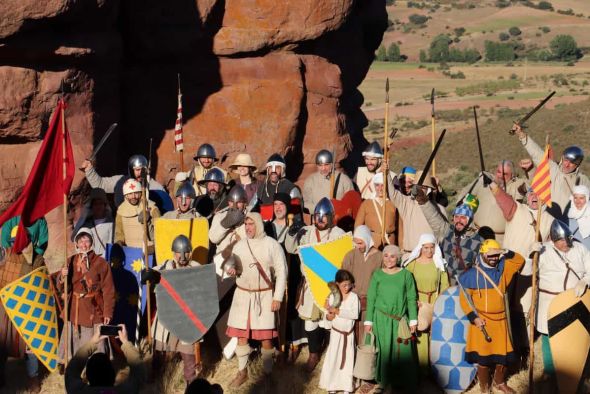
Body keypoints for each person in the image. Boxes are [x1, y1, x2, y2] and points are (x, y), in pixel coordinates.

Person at [225, 212, 287, 387]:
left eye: (251, 224)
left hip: (265, 295)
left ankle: (268, 374)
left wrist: (277, 297)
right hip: (243, 295)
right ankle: (242, 371)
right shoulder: (239, 246)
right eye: (246, 224)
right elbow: (235, 268)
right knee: (241, 336)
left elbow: (282, 272)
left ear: (258, 225)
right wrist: (233, 272)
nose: (248, 228)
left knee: (265, 337)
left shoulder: (272, 245)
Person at [285, 198, 345, 372]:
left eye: (324, 216)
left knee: (328, 320)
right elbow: (290, 249)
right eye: (317, 215)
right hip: (310, 284)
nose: (320, 219)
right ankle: (313, 353)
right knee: (311, 322)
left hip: (330, 286)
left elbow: (344, 255)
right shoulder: (306, 231)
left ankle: (328, 352)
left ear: (331, 217)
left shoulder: (338, 233)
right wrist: (291, 234)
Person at [458, 239, 524, 394]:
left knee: (504, 356)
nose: (495, 258)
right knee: (484, 358)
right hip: (482, 321)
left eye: (497, 255)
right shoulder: (471, 274)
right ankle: (485, 388)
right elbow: (465, 300)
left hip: (501, 321)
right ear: (483, 254)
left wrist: (506, 252)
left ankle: (499, 383)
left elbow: (519, 261)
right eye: (491, 255)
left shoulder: (503, 269)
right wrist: (474, 318)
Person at [532, 219, 590, 377]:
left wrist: (585, 280)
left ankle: (580, 370)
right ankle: (550, 372)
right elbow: (526, 272)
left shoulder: (579, 248)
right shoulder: (542, 251)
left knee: (576, 336)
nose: (566, 243)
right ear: (552, 240)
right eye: (561, 241)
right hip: (549, 302)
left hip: (575, 300)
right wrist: (531, 255)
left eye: (568, 239)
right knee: (549, 336)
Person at [0, 216, 48, 391]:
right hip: (5, 308)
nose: (17, 245)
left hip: (29, 306)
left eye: (20, 241)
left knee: (30, 345)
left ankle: (33, 378)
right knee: (2, 343)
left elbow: (42, 283)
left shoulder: (37, 259)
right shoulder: (3, 257)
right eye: (14, 241)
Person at [55, 229, 115, 368]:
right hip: (74, 309)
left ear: (91, 242)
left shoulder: (101, 263)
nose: (83, 244)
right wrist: (62, 277)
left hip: (94, 308)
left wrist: (108, 312)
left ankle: (96, 367)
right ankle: (72, 366)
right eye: (80, 240)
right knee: (73, 337)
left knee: (95, 340)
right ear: (76, 243)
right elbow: (63, 288)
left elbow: (108, 290)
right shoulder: (69, 261)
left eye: (86, 240)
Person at [148, 235, 202, 385]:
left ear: (190, 253)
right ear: (174, 253)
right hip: (167, 316)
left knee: (188, 356)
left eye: (186, 252)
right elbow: (150, 274)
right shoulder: (165, 267)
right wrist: (149, 275)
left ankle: (191, 386)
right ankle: (155, 384)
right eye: (179, 252)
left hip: (187, 319)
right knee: (159, 353)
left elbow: (204, 292)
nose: (183, 256)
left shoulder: (196, 268)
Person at [364, 245, 418, 393]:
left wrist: (413, 319)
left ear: (398, 258)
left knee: (401, 351)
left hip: (400, 320)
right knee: (383, 350)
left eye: (392, 256)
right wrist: (369, 321)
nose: (389, 259)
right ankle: (382, 381)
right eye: (386, 256)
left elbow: (411, 298)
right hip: (381, 319)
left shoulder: (406, 275)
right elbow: (372, 299)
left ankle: (400, 382)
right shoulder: (377, 275)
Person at [264, 192, 308, 361]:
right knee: (275, 309)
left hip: (293, 272)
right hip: (273, 276)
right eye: (275, 205)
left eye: (281, 205)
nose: (278, 208)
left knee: (291, 308)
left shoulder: (296, 225)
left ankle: (294, 343)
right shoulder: (267, 227)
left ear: (287, 207)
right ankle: (276, 344)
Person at [512, 124, 590, 218]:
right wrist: (522, 135)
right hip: (550, 220)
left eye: (571, 163)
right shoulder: (554, 170)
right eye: (565, 160)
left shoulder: (583, 180)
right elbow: (537, 154)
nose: (566, 164)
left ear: (578, 164)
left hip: (572, 223)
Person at [402, 233, 449, 376]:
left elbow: (445, 285)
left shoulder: (438, 263)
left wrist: (439, 303)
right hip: (417, 303)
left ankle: (433, 372)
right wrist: (413, 301)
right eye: (426, 248)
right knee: (420, 335)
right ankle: (419, 371)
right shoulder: (412, 265)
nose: (429, 251)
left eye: (432, 247)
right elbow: (405, 284)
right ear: (420, 247)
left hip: (434, 302)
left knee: (434, 336)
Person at [416, 191, 483, 283]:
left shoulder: (479, 240)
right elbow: (433, 218)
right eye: (456, 217)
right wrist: (423, 201)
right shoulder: (447, 231)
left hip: (467, 287)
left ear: (470, 220)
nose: (459, 221)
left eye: (463, 218)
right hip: (445, 286)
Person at [458, 161, 527, 243]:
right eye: (498, 172)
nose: (501, 176)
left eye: (505, 174)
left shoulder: (517, 186)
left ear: (512, 175)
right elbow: (465, 196)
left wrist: (529, 170)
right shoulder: (485, 181)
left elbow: (530, 185)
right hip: (475, 234)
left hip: (499, 240)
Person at [65, 324, 144, 394]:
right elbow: (139, 371)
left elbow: (71, 369)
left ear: (88, 377)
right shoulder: (125, 391)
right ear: (113, 375)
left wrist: (92, 342)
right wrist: (125, 342)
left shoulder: (78, 391)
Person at [81, 154, 171, 212]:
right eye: (137, 170)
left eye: (143, 169)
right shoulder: (120, 181)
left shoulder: (156, 188)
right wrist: (89, 170)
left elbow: (166, 209)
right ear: (131, 170)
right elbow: (100, 184)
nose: (140, 173)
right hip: (123, 224)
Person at [319, 269, 360, 394]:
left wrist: (339, 312)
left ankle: (346, 387)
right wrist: (329, 316)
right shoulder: (332, 297)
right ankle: (332, 386)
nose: (347, 287)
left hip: (348, 335)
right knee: (334, 359)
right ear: (337, 284)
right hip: (336, 334)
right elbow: (327, 317)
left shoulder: (353, 297)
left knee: (347, 361)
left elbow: (355, 314)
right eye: (344, 285)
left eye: (349, 284)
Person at [341, 225, 382, 341]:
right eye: (356, 243)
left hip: (370, 303)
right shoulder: (350, 255)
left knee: (366, 336)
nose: (358, 246)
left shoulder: (380, 257)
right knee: (350, 337)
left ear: (367, 239)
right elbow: (342, 279)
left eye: (360, 243)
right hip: (352, 302)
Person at [114, 179, 161, 250]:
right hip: (130, 251)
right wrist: (119, 243)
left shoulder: (152, 208)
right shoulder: (121, 211)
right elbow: (119, 233)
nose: (133, 197)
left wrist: (153, 248)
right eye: (130, 194)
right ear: (126, 195)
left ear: (141, 193)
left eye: (136, 193)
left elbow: (159, 231)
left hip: (148, 251)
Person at [354, 173, 398, 248]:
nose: (380, 188)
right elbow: (358, 227)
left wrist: (401, 246)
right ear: (374, 186)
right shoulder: (366, 204)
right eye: (377, 185)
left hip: (389, 243)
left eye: (383, 185)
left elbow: (400, 228)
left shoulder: (394, 204)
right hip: (372, 243)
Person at [72, 188, 114, 257]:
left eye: (100, 203)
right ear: (91, 206)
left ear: (104, 205)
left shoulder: (111, 224)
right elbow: (77, 242)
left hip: (104, 261)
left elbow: (110, 245)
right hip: (88, 261)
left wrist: (102, 259)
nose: (98, 206)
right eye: (95, 204)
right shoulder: (85, 224)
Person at [567, 185, 590, 249]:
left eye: (581, 198)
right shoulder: (569, 214)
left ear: (587, 198)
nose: (578, 201)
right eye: (575, 198)